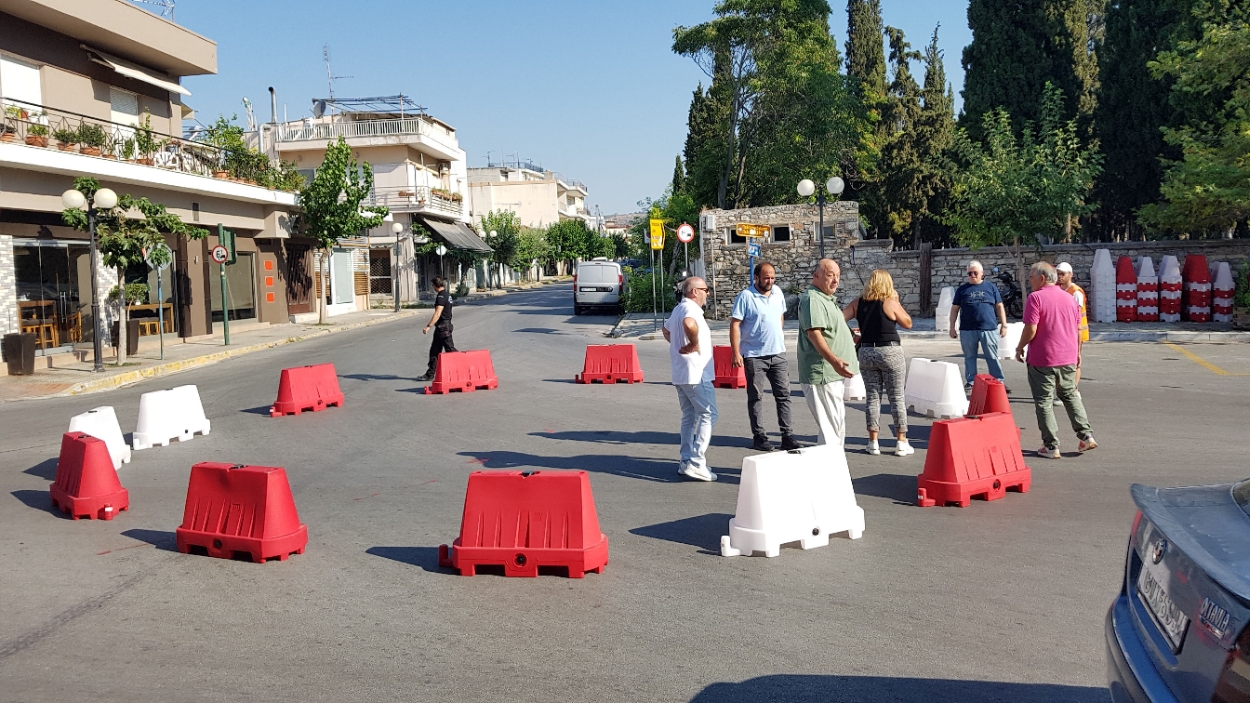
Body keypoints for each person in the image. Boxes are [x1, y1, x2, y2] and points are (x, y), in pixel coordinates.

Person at [1014, 261, 1098, 459]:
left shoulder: (1036, 298)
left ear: (1042, 278)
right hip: (1067, 356)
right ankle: (1086, 435)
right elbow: (1077, 329)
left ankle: (1051, 445)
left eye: (1031, 277)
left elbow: (1031, 328)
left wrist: (1019, 347)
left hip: (1043, 358)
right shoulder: (1070, 298)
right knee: (1069, 394)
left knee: (1043, 401)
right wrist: (1077, 352)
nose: (1029, 281)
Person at [843, 270, 914, 457]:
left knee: (873, 397)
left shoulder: (858, 303)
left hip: (866, 351)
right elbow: (908, 323)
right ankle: (901, 441)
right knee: (896, 397)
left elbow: (839, 319)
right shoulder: (889, 302)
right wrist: (897, 302)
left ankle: (873, 441)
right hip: (890, 350)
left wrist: (854, 336)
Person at [730, 262, 799, 452]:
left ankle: (787, 436)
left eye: (773, 278)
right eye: (766, 278)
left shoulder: (777, 292)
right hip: (754, 355)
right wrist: (736, 352)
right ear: (757, 277)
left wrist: (776, 334)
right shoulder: (746, 296)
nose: (770, 281)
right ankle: (759, 436)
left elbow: (780, 316)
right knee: (756, 397)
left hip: (778, 353)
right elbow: (735, 324)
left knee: (784, 396)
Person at [663, 276, 719, 481]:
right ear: (694, 291)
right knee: (709, 414)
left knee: (689, 416)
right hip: (696, 372)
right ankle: (696, 461)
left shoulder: (679, 308)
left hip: (681, 372)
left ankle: (686, 460)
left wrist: (679, 345)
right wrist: (693, 343)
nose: (708, 293)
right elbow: (689, 323)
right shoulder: (690, 310)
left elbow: (666, 329)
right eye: (705, 289)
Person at [798, 259, 859, 447]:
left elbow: (830, 329)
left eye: (838, 276)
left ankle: (831, 469)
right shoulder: (813, 299)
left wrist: (850, 337)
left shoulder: (825, 298)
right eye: (830, 275)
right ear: (816, 276)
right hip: (823, 373)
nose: (835, 280)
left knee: (835, 425)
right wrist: (834, 361)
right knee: (831, 429)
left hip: (831, 374)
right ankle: (829, 471)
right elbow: (814, 334)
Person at [949, 260, 1008, 390]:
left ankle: (998, 380)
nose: (973, 275)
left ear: (982, 273)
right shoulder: (962, 290)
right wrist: (952, 327)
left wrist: (1004, 325)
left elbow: (999, 306)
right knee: (969, 357)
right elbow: (954, 309)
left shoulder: (990, 287)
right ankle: (971, 381)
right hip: (967, 329)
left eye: (975, 272)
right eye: (970, 273)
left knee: (992, 356)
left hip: (989, 329)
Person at [1055, 262, 1088, 392]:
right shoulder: (1060, 290)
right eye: (1058, 274)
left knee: (1075, 361)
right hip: (1065, 333)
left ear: (1071, 275)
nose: (1059, 277)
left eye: (1062, 274)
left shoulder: (1075, 292)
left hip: (1076, 333)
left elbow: (1076, 316)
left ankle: (1073, 390)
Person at [418, 276, 457, 382]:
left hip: (443, 327)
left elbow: (438, 313)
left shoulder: (441, 296)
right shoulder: (447, 295)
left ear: (435, 286)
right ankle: (430, 374)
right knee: (434, 351)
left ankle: (463, 368)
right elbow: (450, 311)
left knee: (451, 350)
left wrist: (428, 326)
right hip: (444, 326)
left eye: (433, 286)